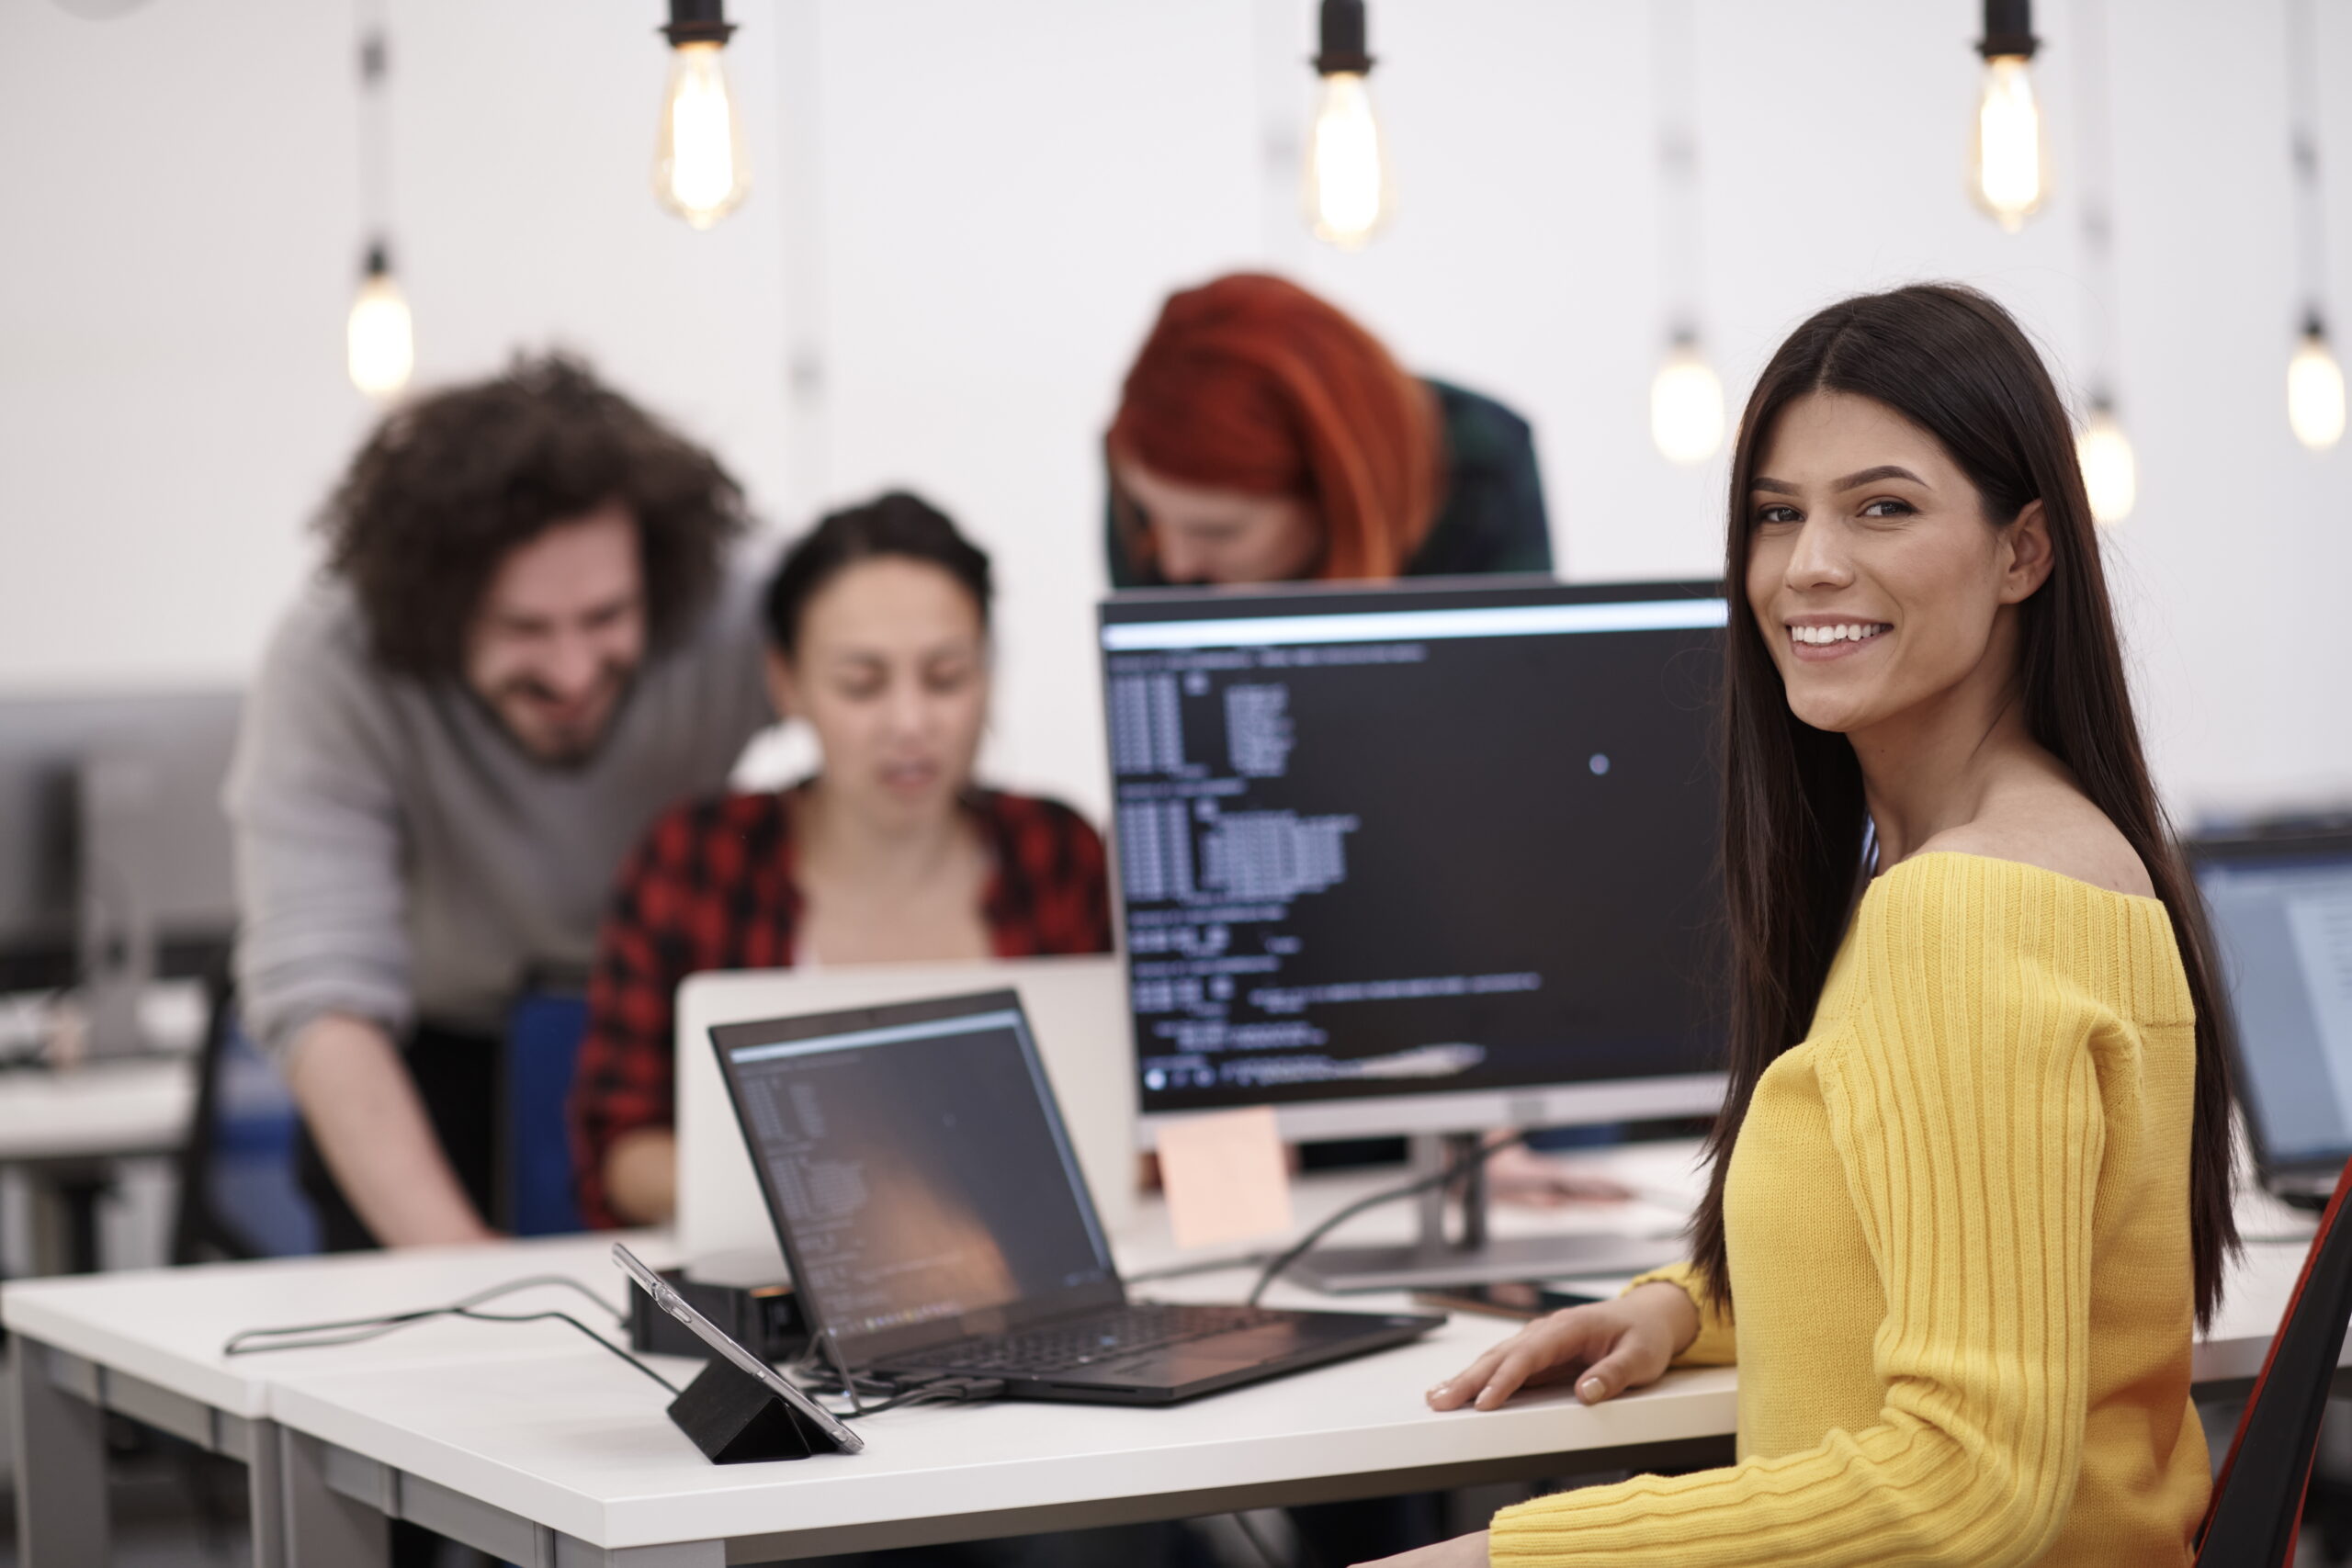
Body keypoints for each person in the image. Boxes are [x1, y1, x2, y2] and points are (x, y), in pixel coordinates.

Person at [1387, 284, 2239, 1567]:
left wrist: (1499, 1557)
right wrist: (1688, 1306)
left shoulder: (1967, 908)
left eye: (1882, 507)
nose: (1810, 565)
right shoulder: (2063, 852)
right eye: (1777, 514)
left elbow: (1964, 1484)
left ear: (2025, 551)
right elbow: (1954, 1252)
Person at [225, 354, 774, 1253]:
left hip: (658, 1057)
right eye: (522, 629)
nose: (570, 672)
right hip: (431, 1068)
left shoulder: (733, 605)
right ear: (434, 612)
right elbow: (319, 988)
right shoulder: (333, 658)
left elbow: (868, 662)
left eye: (605, 619)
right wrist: (462, 1271)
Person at [569, 491, 1114, 1228]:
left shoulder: (1058, 853)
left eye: (948, 677)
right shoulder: (694, 861)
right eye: (861, 684)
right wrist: (847, 1202)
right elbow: (620, 1151)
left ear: (989, 675)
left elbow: (1144, 1122)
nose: (910, 723)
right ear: (787, 683)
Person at [1103, 272, 1552, 588]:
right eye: (1153, 516)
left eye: (1221, 532)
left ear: (1333, 492)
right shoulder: (1149, 474)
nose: (1176, 565)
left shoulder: (1484, 456)